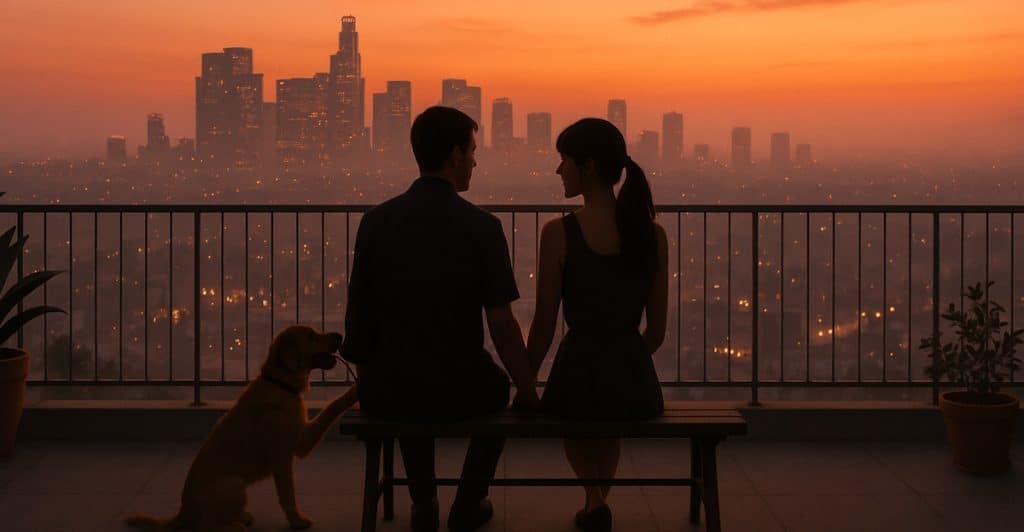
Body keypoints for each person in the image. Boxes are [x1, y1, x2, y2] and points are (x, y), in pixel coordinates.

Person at [340, 106, 541, 532]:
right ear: (453, 155)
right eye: (471, 151)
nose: (474, 161)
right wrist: (526, 387)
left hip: (388, 389)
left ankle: (423, 499)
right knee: (497, 391)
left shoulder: (375, 223)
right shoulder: (482, 228)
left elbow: (359, 314)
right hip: (459, 386)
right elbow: (502, 326)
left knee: (409, 386)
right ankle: (468, 502)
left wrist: (370, 377)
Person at [526, 118, 668, 531]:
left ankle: (592, 497)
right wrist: (626, 361)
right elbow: (656, 333)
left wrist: (526, 382)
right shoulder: (653, 236)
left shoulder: (559, 234)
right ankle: (596, 500)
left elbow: (544, 326)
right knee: (609, 414)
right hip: (634, 382)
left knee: (579, 413)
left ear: (586, 166)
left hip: (575, 373)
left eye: (563, 161)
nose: (558, 171)